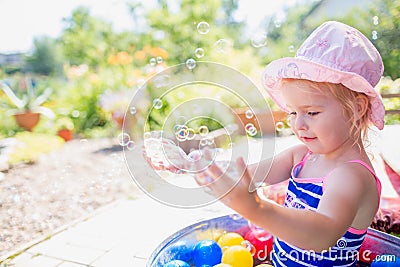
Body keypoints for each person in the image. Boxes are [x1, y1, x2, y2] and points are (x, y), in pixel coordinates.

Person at [188, 21, 385, 266]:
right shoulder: (301, 156)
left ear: (357, 109)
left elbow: (321, 235)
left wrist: (256, 208)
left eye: (311, 113)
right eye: (292, 113)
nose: (298, 124)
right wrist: (205, 167)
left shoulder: (351, 176)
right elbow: (247, 175)